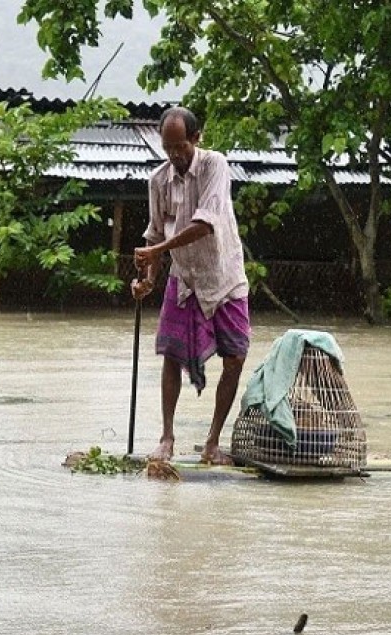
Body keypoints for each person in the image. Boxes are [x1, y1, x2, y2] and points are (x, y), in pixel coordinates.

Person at [132, 107, 251, 465]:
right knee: (171, 354)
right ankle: (166, 438)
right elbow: (154, 232)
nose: (175, 155)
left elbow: (206, 222)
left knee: (235, 357)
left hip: (223, 275)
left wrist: (157, 250)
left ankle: (213, 442)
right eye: (167, 148)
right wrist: (148, 279)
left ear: (196, 139)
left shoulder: (215, 165)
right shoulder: (158, 181)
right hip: (184, 279)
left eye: (181, 146)